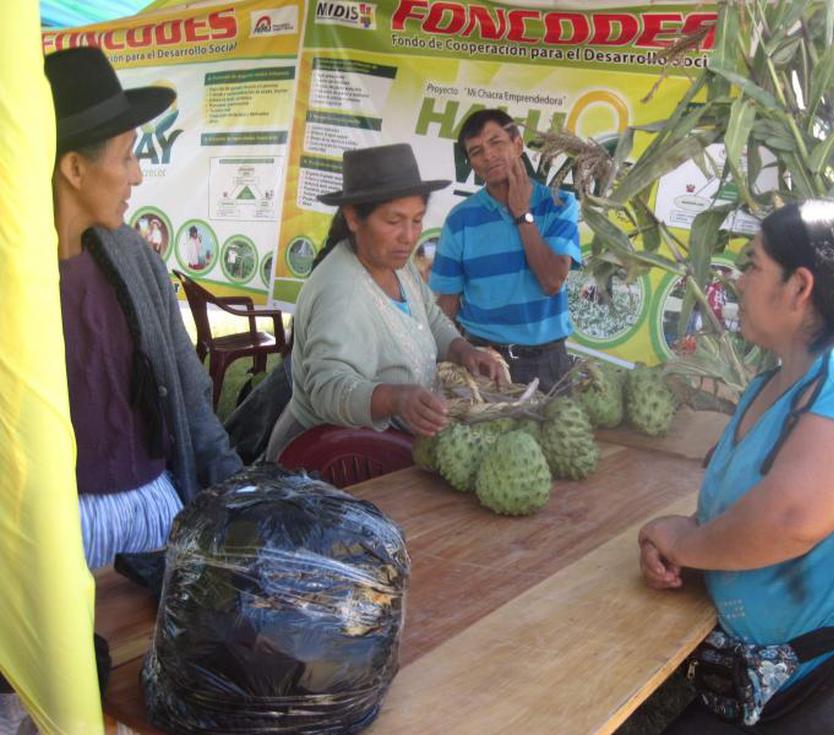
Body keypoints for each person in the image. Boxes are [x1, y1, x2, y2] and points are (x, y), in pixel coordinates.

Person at [638, 200, 834, 734]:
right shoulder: (768, 388)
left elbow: (789, 519)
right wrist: (675, 547)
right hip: (758, 679)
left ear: (799, 287)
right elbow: (731, 513)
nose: (738, 281)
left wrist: (682, 543)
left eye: (753, 265)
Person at [45, 47, 242, 569]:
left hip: (155, 511)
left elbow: (187, 384)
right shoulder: (16, 282)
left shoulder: (134, 257)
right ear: (74, 168)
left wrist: (232, 482)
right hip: (54, 539)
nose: (136, 175)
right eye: (128, 154)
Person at [265, 143, 503, 460]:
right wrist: (394, 398)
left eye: (417, 220)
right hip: (330, 459)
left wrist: (462, 350)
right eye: (393, 221)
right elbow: (328, 388)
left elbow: (430, 317)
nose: (408, 236)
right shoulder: (341, 291)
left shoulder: (398, 265)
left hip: (388, 444)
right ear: (353, 217)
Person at [429, 109, 582, 392]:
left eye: (496, 142)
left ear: (518, 144)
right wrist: (433, 359)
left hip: (548, 363)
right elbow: (447, 305)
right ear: (472, 165)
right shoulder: (460, 219)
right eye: (476, 151)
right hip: (484, 361)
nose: (488, 155)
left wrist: (522, 213)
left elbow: (552, 281)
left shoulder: (559, 204)